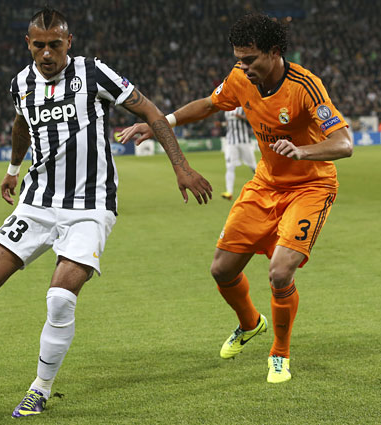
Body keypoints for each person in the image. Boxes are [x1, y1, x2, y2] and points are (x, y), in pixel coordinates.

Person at [0, 6, 212, 419]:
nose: (47, 53)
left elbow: (151, 113)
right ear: (28, 44)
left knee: (59, 299)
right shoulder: (21, 83)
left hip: (90, 207)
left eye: (56, 44)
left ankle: (40, 388)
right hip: (38, 201)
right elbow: (22, 124)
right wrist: (12, 169)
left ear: (68, 42)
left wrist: (181, 166)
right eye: (39, 46)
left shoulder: (95, 73)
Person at [119, 13, 353, 384]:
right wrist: (159, 122)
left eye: (250, 59)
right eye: (238, 59)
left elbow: (344, 144)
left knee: (280, 272)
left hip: (311, 186)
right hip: (266, 184)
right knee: (222, 270)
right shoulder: (240, 78)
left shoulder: (305, 86)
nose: (242, 67)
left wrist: (301, 152)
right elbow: (209, 104)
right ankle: (250, 323)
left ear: (274, 52)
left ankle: (280, 354)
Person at [220, 106, 256, 200]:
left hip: (244, 142)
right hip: (231, 142)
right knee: (230, 166)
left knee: (253, 166)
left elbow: (253, 119)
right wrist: (222, 125)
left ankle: (266, 185)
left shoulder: (243, 107)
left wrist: (242, 117)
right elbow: (228, 123)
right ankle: (229, 192)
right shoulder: (227, 109)